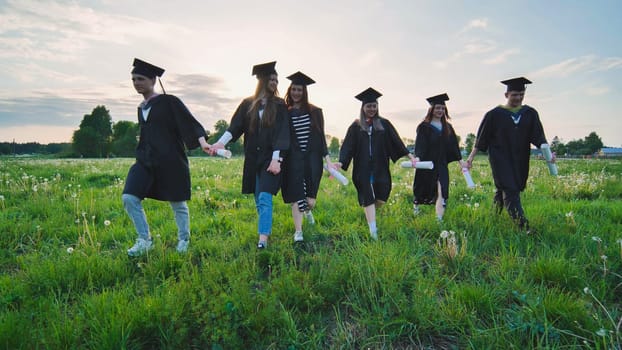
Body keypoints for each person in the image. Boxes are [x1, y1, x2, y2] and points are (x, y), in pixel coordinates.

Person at [123, 58, 210, 256]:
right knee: (129, 197)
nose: (136, 83)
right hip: (145, 160)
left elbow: (189, 123)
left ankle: (184, 239)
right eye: (134, 79)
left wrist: (203, 143)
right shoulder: (141, 107)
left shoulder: (170, 102)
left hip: (170, 160)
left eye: (141, 79)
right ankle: (144, 239)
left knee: (178, 203)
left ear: (153, 80)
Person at [210, 61, 289, 249]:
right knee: (257, 198)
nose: (275, 83)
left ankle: (263, 239)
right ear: (261, 81)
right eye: (271, 79)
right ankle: (265, 226)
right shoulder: (247, 104)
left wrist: (277, 158)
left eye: (276, 80)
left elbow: (282, 132)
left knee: (264, 196)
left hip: (271, 158)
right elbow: (235, 127)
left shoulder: (279, 104)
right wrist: (220, 143)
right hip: (253, 158)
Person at [465, 77, 549, 233]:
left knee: (504, 187)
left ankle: (493, 217)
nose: (518, 98)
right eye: (515, 94)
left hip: (520, 158)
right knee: (510, 189)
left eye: (521, 94)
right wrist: (470, 158)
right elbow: (481, 139)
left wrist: (548, 153)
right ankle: (524, 227)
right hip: (499, 158)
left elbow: (539, 137)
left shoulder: (530, 113)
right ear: (506, 95)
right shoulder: (494, 114)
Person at [334, 87, 416, 240]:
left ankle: (369, 209)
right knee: (368, 195)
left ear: (377, 107)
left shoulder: (384, 124)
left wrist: (411, 157)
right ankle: (373, 232)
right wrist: (340, 162)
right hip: (362, 167)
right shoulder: (356, 126)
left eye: (374, 106)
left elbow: (397, 142)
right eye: (368, 106)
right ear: (363, 107)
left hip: (380, 166)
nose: (371, 109)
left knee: (381, 197)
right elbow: (348, 146)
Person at [281, 71, 333, 242]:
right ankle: (298, 232)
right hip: (293, 159)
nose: (296, 93)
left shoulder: (315, 111)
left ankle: (308, 211)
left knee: (309, 200)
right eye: (294, 89)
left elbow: (321, 136)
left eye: (300, 90)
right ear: (290, 90)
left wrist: (327, 159)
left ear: (304, 92)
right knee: (296, 194)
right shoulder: (285, 113)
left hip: (312, 159)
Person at [412, 93, 465, 221]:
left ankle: (439, 219)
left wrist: (461, 162)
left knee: (442, 190)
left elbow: (454, 146)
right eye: (437, 108)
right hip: (427, 164)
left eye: (442, 108)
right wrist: (417, 158)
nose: (440, 111)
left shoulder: (448, 127)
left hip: (441, 164)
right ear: (431, 110)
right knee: (423, 188)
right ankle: (416, 206)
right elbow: (420, 145)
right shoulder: (423, 127)